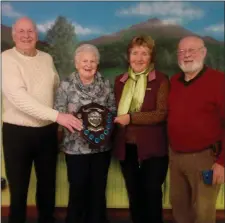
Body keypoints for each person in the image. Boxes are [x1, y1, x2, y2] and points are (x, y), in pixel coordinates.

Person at [2, 17, 82, 223]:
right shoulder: (5, 59)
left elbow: (56, 90)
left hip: (47, 131)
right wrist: (58, 116)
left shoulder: (46, 58)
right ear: (14, 35)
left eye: (30, 31)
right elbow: (19, 99)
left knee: (48, 186)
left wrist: (65, 111)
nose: (26, 36)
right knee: (19, 189)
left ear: (36, 35)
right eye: (21, 31)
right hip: (17, 133)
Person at [54, 43, 116, 223]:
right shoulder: (66, 84)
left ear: (97, 64)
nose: (88, 65)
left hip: (100, 148)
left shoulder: (105, 84)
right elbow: (59, 110)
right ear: (76, 63)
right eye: (84, 61)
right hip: (75, 148)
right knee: (78, 189)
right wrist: (74, 121)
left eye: (92, 61)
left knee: (98, 190)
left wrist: (104, 126)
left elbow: (112, 110)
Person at [168, 36, 225, 223]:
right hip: (175, 158)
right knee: (179, 209)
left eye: (191, 50)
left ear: (204, 52)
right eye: (182, 52)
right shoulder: (174, 82)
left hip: (205, 159)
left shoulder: (219, 81)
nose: (186, 55)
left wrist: (223, 162)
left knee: (203, 213)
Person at [113, 35, 170, 223]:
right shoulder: (119, 81)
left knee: (152, 195)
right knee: (134, 195)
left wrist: (131, 118)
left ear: (151, 57)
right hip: (126, 148)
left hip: (153, 149)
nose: (139, 58)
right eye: (135, 53)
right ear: (128, 56)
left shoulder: (161, 80)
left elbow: (160, 113)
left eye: (144, 53)